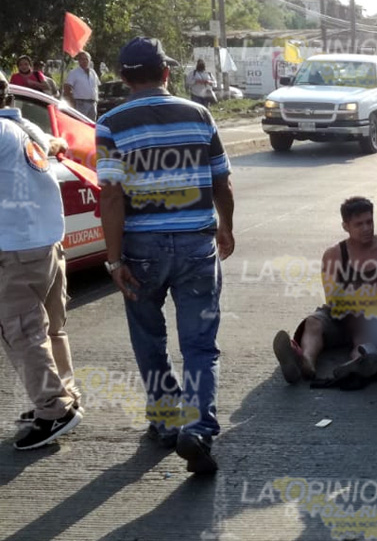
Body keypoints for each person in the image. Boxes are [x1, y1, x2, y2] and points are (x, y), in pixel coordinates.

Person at [97, 37, 234, 474]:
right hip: (196, 244)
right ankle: (196, 427)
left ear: (122, 77)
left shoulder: (110, 123)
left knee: (149, 339)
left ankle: (164, 420)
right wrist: (226, 226)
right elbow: (221, 183)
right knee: (199, 346)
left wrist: (114, 261)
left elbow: (112, 196)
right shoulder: (199, 114)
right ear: (167, 73)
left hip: (141, 250)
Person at [0, 74, 83, 450]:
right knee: (49, 329)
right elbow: (57, 142)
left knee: (23, 333)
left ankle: (54, 411)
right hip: (46, 242)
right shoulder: (22, 125)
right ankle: (64, 394)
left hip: (14, 250)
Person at [272, 197, 377, 384]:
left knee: (363, 336)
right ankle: (305, 362)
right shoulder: (334, 254)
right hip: (342, 315)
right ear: (346, 226)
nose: (366, 228)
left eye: (369, 222)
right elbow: (332, 298)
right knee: (313, 322)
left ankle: (355, 365)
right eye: (359, 224)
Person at [64, 51, 100, 121]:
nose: (84, 61)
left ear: (89, 60)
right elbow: (67, 87)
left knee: (91, 125)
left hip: (93, 104)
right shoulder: (74, 73)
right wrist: (72, 101)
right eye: (82, 59)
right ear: (79, 61)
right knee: (80, 123)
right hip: (80, 103)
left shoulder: (93, 72)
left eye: (86, 59)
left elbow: (96, 86)